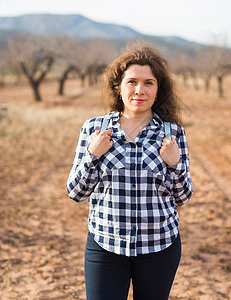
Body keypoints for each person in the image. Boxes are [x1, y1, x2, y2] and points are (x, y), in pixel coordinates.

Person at [66, 44, 193, 300]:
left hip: (159, 247)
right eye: (132, 81)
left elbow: (183, 197)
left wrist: (175, 163)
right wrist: (93, 156)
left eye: (149, 83)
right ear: (119, 86)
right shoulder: (94, 129)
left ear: (158, 89)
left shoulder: (172, 133)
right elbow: (75, 192)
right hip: (106, 245)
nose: (139, 90)